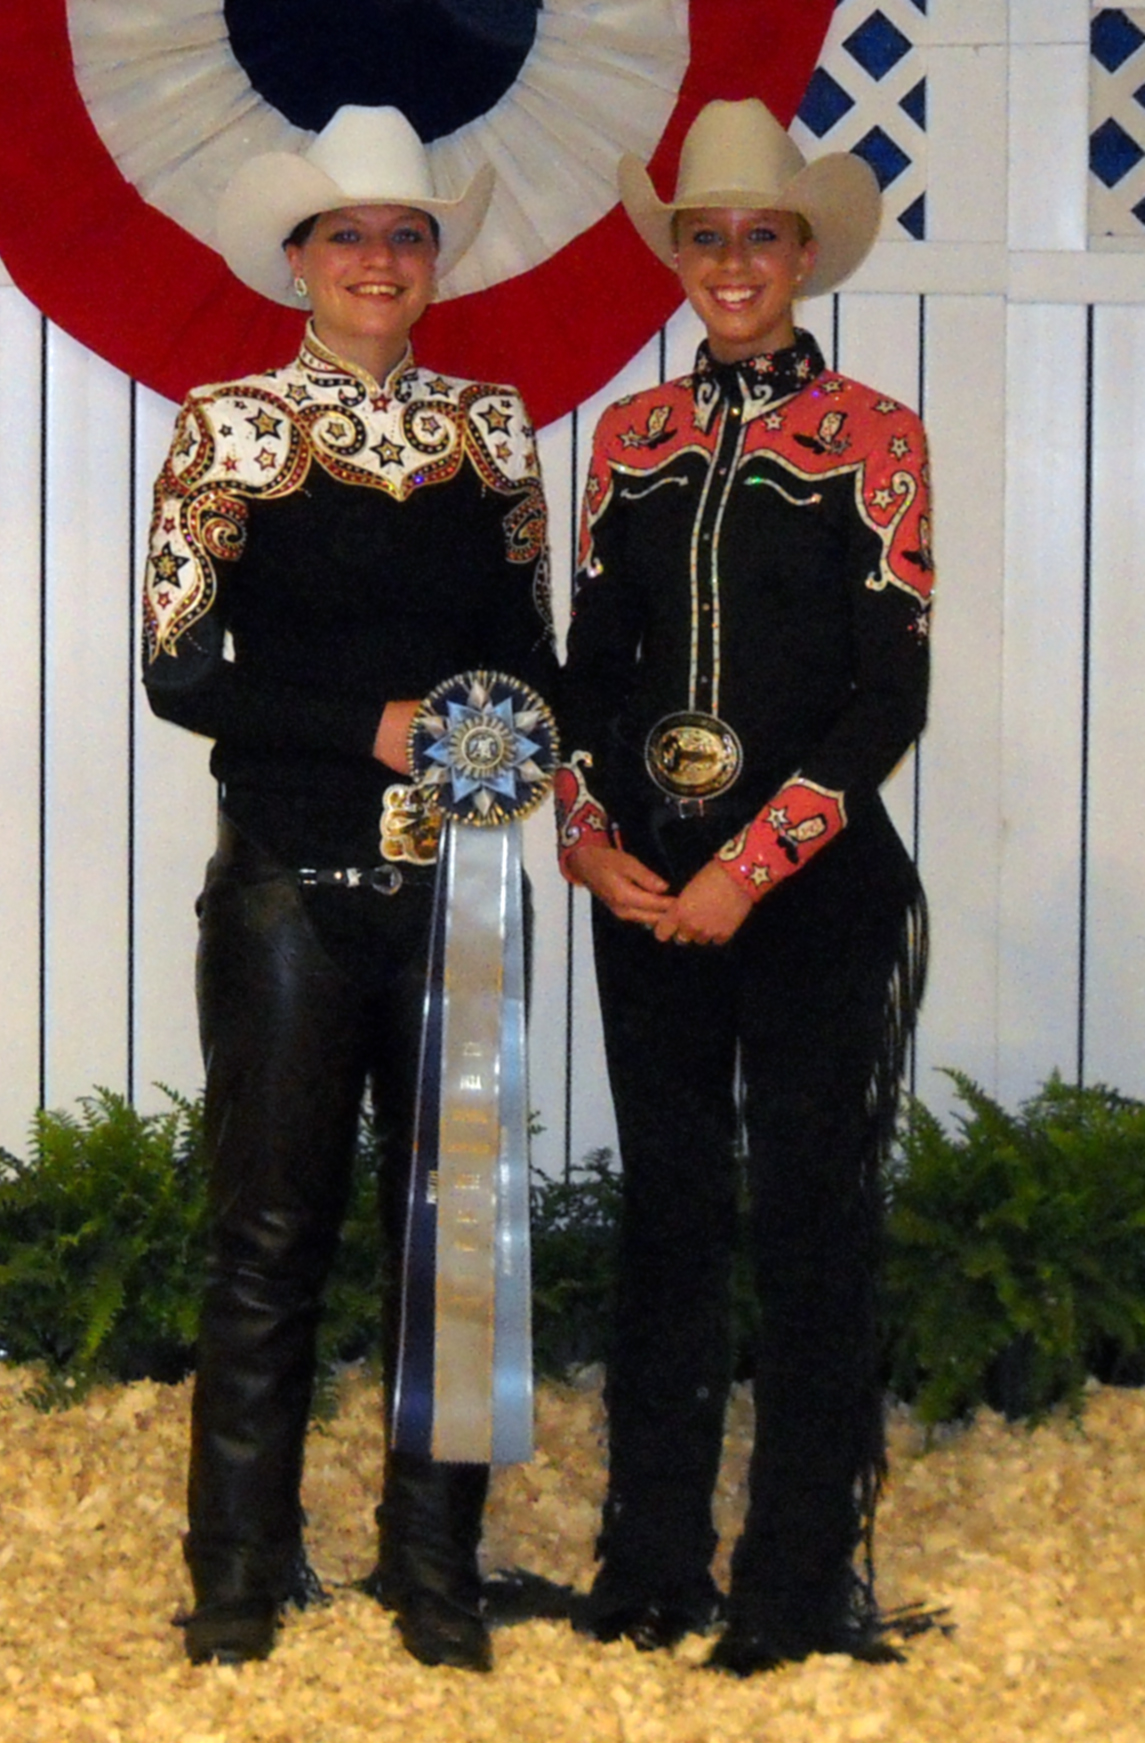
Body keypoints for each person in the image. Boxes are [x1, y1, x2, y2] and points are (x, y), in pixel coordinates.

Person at [142, 104, 556, 1673]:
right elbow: (179, 674)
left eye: (404, 233)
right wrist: (369, 729)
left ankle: (432, 1570)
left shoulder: (497, 432)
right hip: (289, 891)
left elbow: (529, 656)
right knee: (266, 1235)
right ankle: (237, 1574)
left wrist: (545, 743)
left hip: (455, 884)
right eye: (348, 236)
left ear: (433, 261)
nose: (377, 258)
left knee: (453, 1234)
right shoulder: (227, 425)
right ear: (297, 261)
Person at [555, 98, 934, 1673]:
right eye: (704, 236)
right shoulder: (625, 442)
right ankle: (647, 1557)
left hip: (815, 891)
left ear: (800, 254)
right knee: (670, 1213)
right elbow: (586, 673)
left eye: (757, 235)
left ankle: (792, 1575)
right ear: (682, 257)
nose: (730, 260)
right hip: (642, 893)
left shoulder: (875, 438)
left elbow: (884, 700)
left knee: (805, 1213)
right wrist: (586, 832)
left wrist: (751, 873)